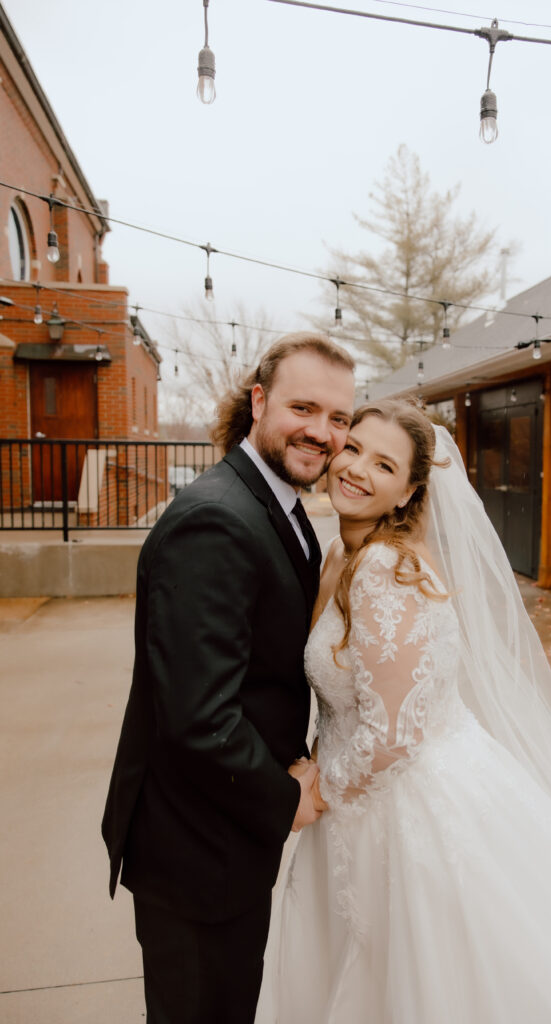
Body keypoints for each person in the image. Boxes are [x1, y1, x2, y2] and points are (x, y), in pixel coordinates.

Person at [256, 398, 551, 1023]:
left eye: (384, 465)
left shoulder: (382, 569)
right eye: (353, 449)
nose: (356, 470)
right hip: (383, 790)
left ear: (407, 494)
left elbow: (395, 733)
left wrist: (317, 792)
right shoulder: (342, 554)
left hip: (400, 803)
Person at [101, 332, 356, 1024]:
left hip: (223, 835)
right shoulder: (216, 519)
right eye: (303, 408)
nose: (322, 432)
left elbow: (258, 671)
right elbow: (196, 715)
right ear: (259, 401)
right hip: (194, 847)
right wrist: (284, 799)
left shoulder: (276, 506)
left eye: (339, 419)